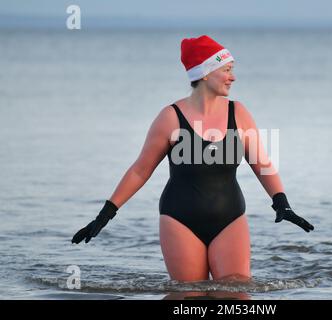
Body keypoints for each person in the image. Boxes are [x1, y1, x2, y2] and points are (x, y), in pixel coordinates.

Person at [71, 35, 314, 283]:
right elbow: (140, 170)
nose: (233, 77)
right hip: (179, 220)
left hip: (230, 219)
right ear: (206, 73)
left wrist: (281, 202)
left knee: (237, 292)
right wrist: (106, 213)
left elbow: (262, 163)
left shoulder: (238, 113)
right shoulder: (170, 117)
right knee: (188, 295)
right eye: (227, 70)